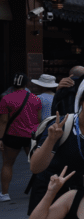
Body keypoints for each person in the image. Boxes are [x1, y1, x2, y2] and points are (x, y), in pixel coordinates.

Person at [29, 84, 84, 212]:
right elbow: (36, 167)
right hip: (53, 189)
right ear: (81, 100)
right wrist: (51, 139)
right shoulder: (62, 125)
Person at [0, 73, 42, 202]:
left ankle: (5, 194)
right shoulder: (35, 98)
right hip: (31, 135)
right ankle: (40, 191)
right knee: (37, 164)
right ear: (26, 84)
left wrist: (0, 138)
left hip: (13, 135)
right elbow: (39, 119)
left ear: (13, 84)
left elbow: (3, 121)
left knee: (7, 164)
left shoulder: (6, 99)